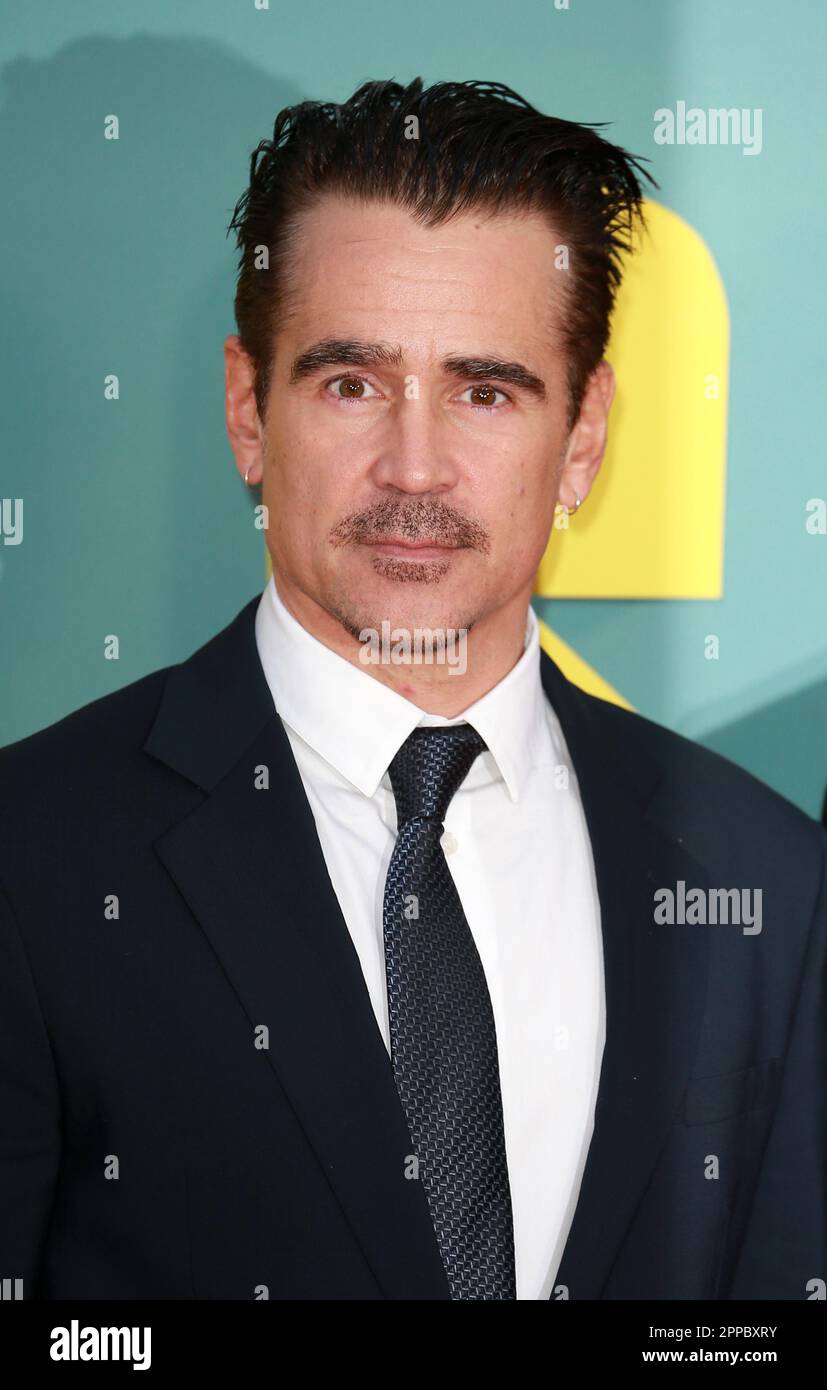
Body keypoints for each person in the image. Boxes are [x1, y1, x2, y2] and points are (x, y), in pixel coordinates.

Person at [1, 78, 824, 1301]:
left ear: (583, 437)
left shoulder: (759, 872)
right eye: (350, 383)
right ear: (246, 410)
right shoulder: (34, 852)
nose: (415, 466)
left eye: (484, 390)